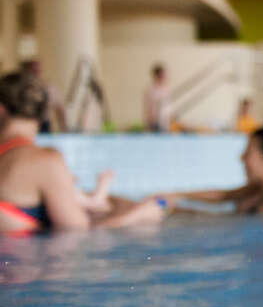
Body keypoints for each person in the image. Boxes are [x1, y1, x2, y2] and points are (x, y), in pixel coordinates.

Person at [0, 70, 163, 234]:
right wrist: (138, 216)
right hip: (23, 256)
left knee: (111, 201)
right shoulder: (44, 161)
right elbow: (77, 233)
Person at [155, 126, 263, 219]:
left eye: (248, 153)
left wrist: (179, 211)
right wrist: (177, 196)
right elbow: (222, 195)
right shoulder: (260, 188)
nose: (242, 158)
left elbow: (231, 223)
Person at [19, 59, 66, 133]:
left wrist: (64, 128)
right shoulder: (19, 88)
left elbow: (59, 108)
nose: (36, 72)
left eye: (37, 69)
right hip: (24, 123)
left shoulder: (48, 87)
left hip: (44, 124)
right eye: (33, 70)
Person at [143, 63, 171, 132]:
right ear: (157, 76)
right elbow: (148, 108)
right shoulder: (151, 90)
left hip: (165, 123)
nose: (165, 77)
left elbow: (168, 106)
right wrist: (148, 123)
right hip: (154, 123)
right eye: (162, 75)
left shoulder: (166, 89)